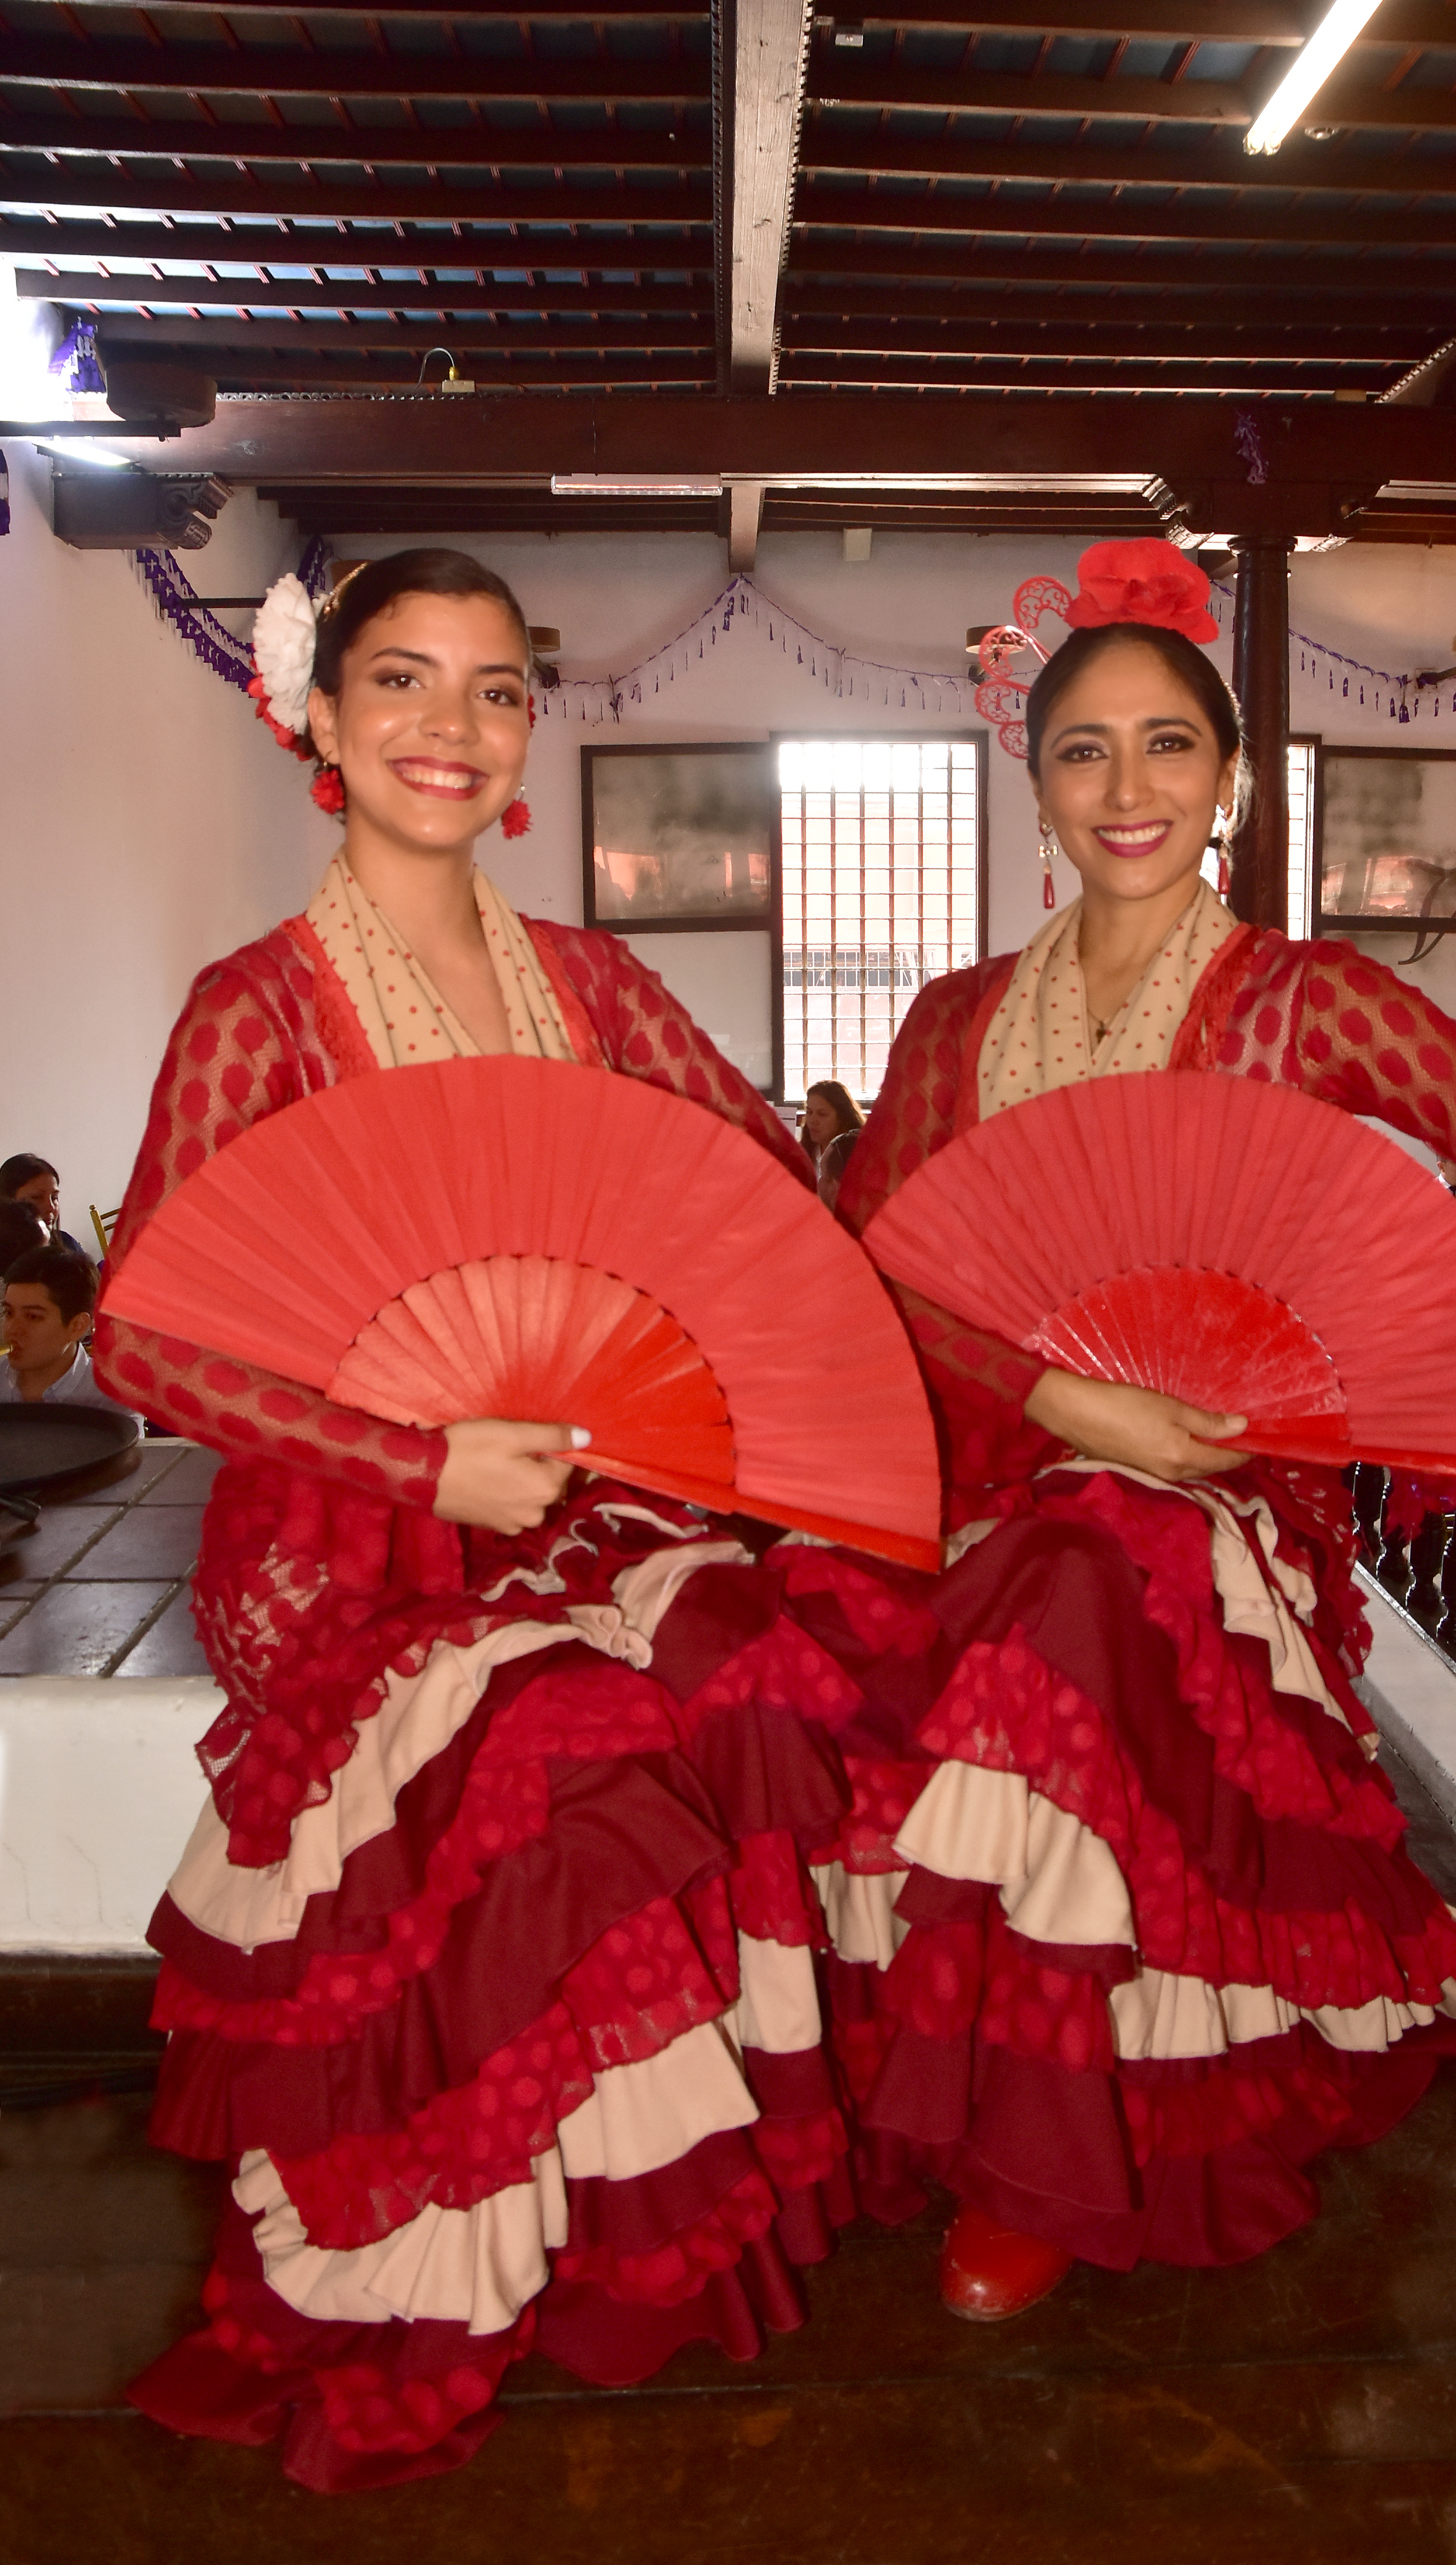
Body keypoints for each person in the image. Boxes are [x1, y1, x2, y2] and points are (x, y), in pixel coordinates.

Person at [785, 539, 1456, 2323]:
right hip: (988, 1469)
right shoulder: (951, 1025)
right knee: (892, 1626)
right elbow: (874, 1267)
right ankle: (961, 2111)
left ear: (1228, 776)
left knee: (1084, 1597)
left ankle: (1035, 2163)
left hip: (1210, 1501)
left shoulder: (1299, 999)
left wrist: (1352, 1372)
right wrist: (1052, 1387)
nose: (1127, 787)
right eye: (1082, 748)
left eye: (1165, 743)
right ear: (1031, 783)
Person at [96, 549, 861, 2492]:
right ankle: (453, 2250)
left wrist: (667, 1337)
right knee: (559, 1741)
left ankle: (629, 2222)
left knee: (762, 1667)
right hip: (360, 1537)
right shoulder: (255, 1009)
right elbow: (147, 1346)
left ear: (529, 733)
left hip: (588, 1497)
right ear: (325, 724)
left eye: (499, 689)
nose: (452, 725)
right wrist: (422, 1458)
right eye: (407, 685)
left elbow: (759, 1174)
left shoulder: (594, 985)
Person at [2, 1240, 142, 1424]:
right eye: (9, 1313)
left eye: (33, 1317)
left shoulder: (112, 1395)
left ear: (78, 1326)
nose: (13, 1329)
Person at [800, 1079, 865, 1211]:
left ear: (842, 1117)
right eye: (809, 1112)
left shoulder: (853, 1153)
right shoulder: (803, 1153)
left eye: (822, 1114)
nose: (813, 1121)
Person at [1, 1153, 82, 1254]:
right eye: (37, 1197)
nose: (51, 1207)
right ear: (8, 1200)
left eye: (54, 1197)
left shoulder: (68, 1244)